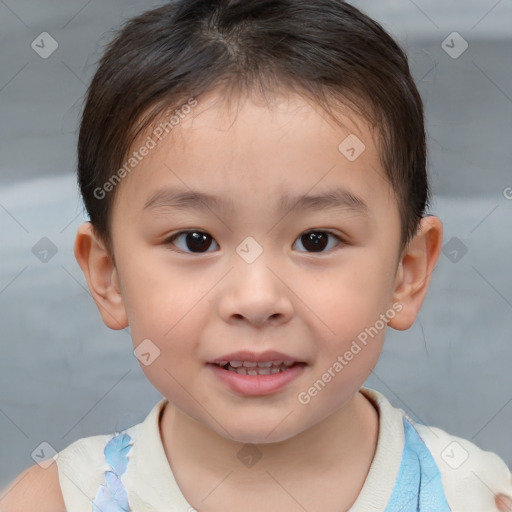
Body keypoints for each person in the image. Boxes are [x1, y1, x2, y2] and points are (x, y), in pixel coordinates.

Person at [1, 1, 511, 511]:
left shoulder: (474, 494)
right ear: (108, 275)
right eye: (194, 240)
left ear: (407, 273)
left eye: (317, 240)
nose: (257, 299)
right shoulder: (58, 500)